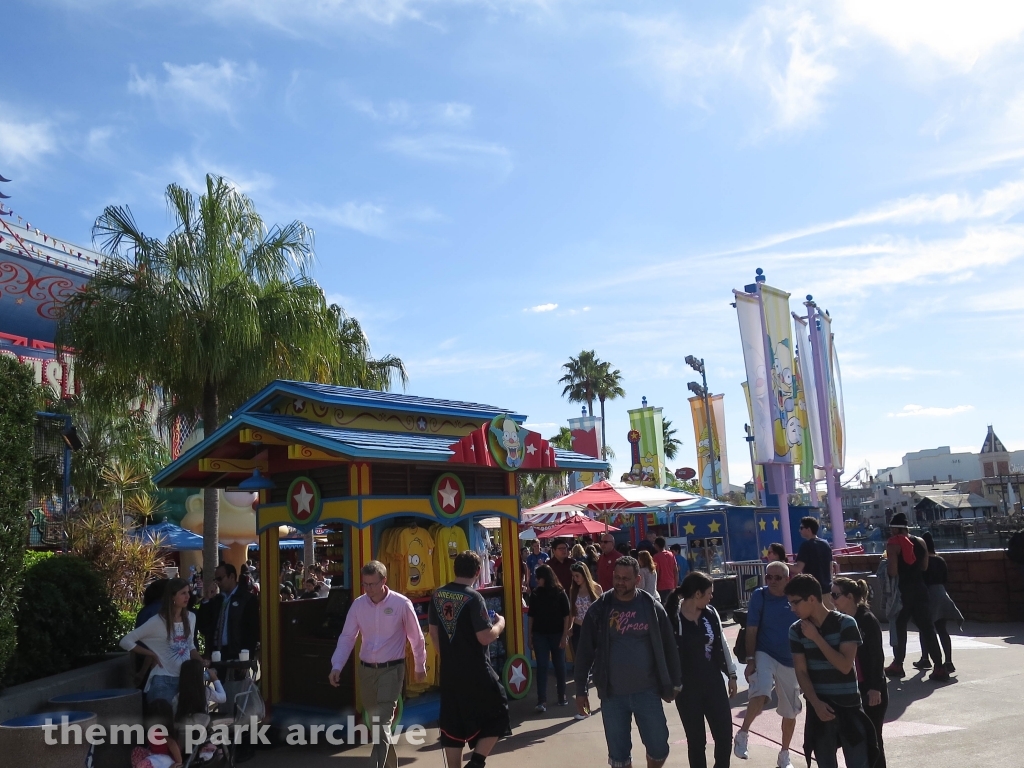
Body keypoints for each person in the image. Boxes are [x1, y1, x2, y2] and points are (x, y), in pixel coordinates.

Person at [574, 556, 681, 768]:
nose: (620, 582)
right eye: (617, 577)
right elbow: (584, 651)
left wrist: (675, 682)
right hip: (613, 695)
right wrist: (580, 689)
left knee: (659, 748)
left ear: (638, 580)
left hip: (648, 692)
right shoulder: (600, 609)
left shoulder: (652, 607)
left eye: (626, 578)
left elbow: (669, 646)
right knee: (619, 756)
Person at [330, 561, 426, 768]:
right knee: (377, 725)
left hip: (392, 669)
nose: (369, 589)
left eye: (372, 584)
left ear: (384, 581)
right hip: (366, 671)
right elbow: (347, 637)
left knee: (381, 722)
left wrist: (420, 665)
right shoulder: (358, 605)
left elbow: (416, 637)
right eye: (365, 584)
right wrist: (337, 665)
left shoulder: (401, 604)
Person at [786, 574, 877, 768]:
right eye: (790, 603)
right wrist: (816, 704)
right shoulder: (796, 630)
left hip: (849, 708)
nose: (792, 609)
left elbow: (844, 666)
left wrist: (817, 638)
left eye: (795, 602)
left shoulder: (846, 623)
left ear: (812, 598)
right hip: (820, 709)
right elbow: (801, 671)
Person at [429, 551, 510, 768]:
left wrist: (448, 655)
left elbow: (433, 633)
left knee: (452, 725)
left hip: (450, 672)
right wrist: (500, 624)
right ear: (477, 571)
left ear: (455, 568)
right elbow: (484, 637)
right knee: (499, 712)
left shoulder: (438, 595)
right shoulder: (474, 598)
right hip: (476, 671)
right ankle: (476, 762)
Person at [667, 571, 737, 768]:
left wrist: (731, 674)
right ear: (697, 594)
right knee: (696, 741)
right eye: (709, 593)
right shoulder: (673, 617)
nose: (711, 597)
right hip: (687, 690)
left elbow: (722, 644)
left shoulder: (710, 613)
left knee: (724, 736)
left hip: (714, 684)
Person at [734, 561, 800, 768]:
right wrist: (750, 660)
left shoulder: (796, 597)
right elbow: (752, 629)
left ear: (787, 579)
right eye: (768, 577)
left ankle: (784, 754)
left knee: (790, 711)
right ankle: (743, 734)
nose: (771, 581)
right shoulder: (760, 595)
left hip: (790, 659)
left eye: (777, 577)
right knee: (761, 690)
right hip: (765, 652)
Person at [120, 578, 207, 704]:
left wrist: (201, 662)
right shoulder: (157, 621)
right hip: (163, 681)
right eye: (183, 593)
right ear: (172, 596)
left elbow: (189, 645)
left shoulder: (191, 617)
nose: (187, 596)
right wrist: (151, 654)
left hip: (185, 679)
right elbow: (126, 641)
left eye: (188, 592)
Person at [831, 577, 888, 768]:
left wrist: (875, 688)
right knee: (856, 738)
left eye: (835, 595)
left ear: (849, 597)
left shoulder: (866, 620)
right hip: (853, 689)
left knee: (873, 739)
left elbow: (876, 656)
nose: (832, 600)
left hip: (871, 688)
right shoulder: (841, 620)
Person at [883, 513, 947, 681]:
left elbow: (893, 571)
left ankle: (898, 664)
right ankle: (939, 667)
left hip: (903, 591)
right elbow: (924, 567)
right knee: (927, 628)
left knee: (899, 627)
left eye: (891, 528)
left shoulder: (893, 544)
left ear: (896, 528)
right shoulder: (921, 541)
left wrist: (886, 565)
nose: (890, 532)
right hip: (920, 588)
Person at [528, 564, 572, 712]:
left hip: (557, 634)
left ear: (545, 578)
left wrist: (564, 635)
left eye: (538, 577)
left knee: (559, 665)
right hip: (540, 634)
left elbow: (566, 616)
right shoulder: (535, 594)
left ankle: (562, 695)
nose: (536, 580)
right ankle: (542, 700)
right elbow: (531, 616)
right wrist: (529, 636)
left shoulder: (560, 593)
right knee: (542, 666)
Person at [196, 563, 260, 665]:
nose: (217, 582)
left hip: (238, 653)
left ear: (232, 577)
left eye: (220, 579)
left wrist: (247, 657)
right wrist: (207, 599)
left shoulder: (247, 599)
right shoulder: (216, 600)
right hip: (217, 653)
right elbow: (203, 625)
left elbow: (252, 631)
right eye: (216, 579)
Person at [920, 531, 964, 674]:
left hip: (929, 595)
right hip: (942, 594)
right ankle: (949, 661)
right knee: (942, 630)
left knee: (925, 629)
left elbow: (921, 580)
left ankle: (925, 658)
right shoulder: (941, 560)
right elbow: (945, 579)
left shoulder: (923, 562)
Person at [791, 517, 834, 607]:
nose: (799, 530)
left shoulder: (806, 545)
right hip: (828, 590)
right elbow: (830, 568)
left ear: (808, 529)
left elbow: (797, 569)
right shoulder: (826, 544)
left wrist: (781, 564)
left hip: (812, 592)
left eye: (801, 528)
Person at [130, 699, 182, 768]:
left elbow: (173, 745)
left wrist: (179, 763)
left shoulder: (163, 733)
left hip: (164, 759)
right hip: (153, 755)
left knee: (142, 765)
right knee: (136, 751)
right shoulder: (152, 730)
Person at [568, 562, 603, 658]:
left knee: (593, 657)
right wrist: (570, 626)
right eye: (573, 576)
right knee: (579, 657)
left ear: (584, 574)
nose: (575, 579)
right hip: (578, 627)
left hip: (592, 628)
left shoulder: (596, 588)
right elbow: (572, 610)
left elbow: (602, 609)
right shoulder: (573, 590)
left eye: (577, 576)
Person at [653, 538, 678, 602]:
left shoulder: (656, 557)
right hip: (671, 584)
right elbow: (675, 570)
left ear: (656, 545)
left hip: (661, 586)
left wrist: (655, 585)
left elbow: (657, 572)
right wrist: (675, 584)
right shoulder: (671, 555)